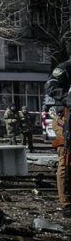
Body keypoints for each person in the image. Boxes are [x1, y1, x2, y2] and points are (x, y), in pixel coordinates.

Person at [45, 59, 71, 217]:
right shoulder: (65, 68)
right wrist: (67, 99)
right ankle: (66, 202)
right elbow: (50, 86)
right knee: (66, 158)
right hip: (64, 119)